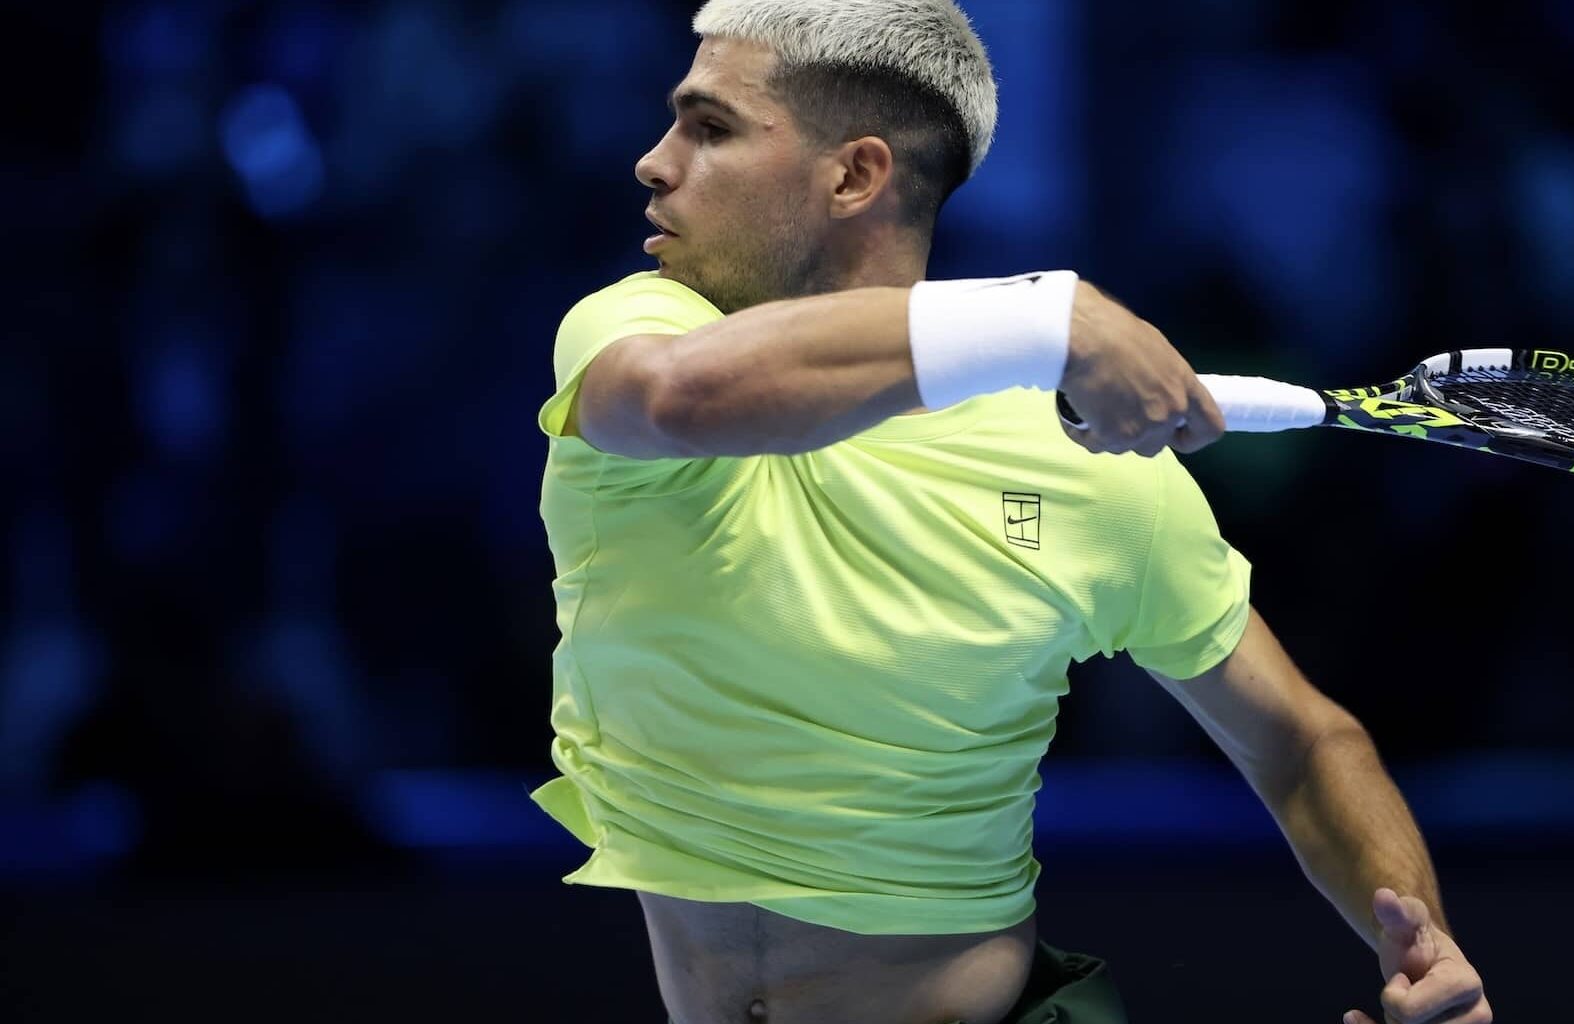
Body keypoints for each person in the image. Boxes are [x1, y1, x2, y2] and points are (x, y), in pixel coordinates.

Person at [527, 2, 1492, 1022]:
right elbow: (681, 397)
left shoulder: (1085, 465)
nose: (653, 160)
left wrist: (1422, 942)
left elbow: (1300, 741)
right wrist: (1041, 318)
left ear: (854, 176)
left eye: (709, 127)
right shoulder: (638, 331)